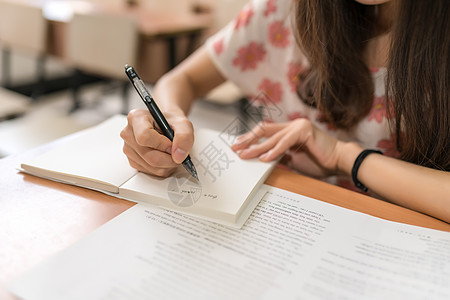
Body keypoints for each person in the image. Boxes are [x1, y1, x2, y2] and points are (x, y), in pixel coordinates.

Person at [120, 0, 450, 223]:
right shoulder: (281, 11)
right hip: (284, 219)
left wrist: (344, 156)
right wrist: (169, 122)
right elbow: (183, 79)